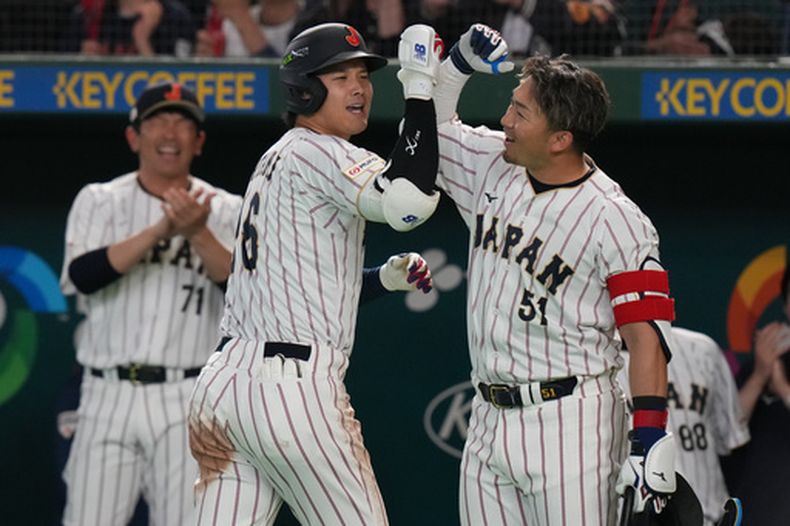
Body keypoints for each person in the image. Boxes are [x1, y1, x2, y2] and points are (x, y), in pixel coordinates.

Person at [187, 22, 443, 525]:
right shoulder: (319, 150)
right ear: (304, 88)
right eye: (339, 76)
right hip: (289, 392)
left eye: (363, 76)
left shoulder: (277, 156)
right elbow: (408, 204)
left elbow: (298, 285)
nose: (360, 87)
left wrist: (382, 280)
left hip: (223, 391)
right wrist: (419, 85)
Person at [430, 24, 677, 525]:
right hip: (486, 414)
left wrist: (648, 439)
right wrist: (454, 68)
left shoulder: (616, 218)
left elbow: (645, 337)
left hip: (572, 421)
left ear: (561, 138)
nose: (505, 120)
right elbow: (422, 136)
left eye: (520, 112)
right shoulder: (492, 164)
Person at [58, 82, 242, 525]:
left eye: (182, 122)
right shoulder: (99, 199)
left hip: (188, 392)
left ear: (198, 142)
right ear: (133, 136)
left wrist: (197, 232)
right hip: (106, 391)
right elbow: (83, 277)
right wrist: (162, 228)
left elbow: (246, 295)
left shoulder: (227, 209)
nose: (170, 132)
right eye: (158, 120)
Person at [618, 327, 750, 526]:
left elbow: (732, 438)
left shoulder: (703, 349)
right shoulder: (592, 363)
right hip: (633, 517)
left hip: (712, 515)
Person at [729, 265, 790, 525]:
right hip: (760, 510)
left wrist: (782, 387)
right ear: (786, 306)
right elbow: (730, 430)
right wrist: (760, 375)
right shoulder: (763, 360)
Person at [60, 0, 196, 56]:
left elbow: (176, 89)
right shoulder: (86, 14)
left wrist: (142, 41)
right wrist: (81, 63)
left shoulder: (176, 17)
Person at [195, 0, 301, 58]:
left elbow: (286, 83)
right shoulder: (228, 25)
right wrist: (208, 63)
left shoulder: (312, 22)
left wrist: (240, 16)